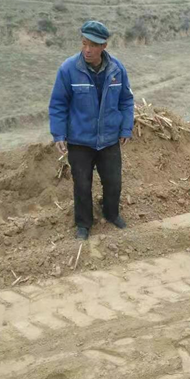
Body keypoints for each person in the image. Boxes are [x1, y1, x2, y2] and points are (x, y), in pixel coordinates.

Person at [49, 21, 135, 240]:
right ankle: (83, 224)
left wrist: (126, 128)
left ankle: (112, 214)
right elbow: (58, 104)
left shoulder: (117, 69)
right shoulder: (68, 69)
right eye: (84, 43)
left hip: (109, 139)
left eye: (93, 45)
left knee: (113, 181)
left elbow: (126, 100)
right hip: (80, 140)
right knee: (82, 184)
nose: (87, 49)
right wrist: (58, 134)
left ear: (103, 46)